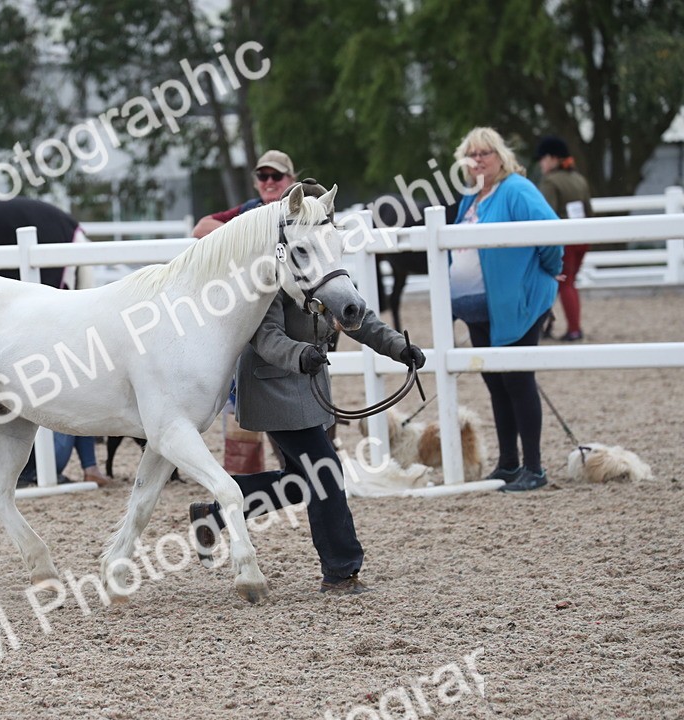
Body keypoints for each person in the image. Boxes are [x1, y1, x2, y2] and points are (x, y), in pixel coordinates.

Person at [188, 182, 426, 596]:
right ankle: (340, 569)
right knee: (326, 471)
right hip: (274, 389)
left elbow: (359, 318)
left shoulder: (320, 264)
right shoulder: (272, 270)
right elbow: (266, 338)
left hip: (308, 385)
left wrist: (398, 347)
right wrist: (300, 355)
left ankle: (216, 512)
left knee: (301, 480)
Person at [449, 127, 563, 492]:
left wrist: (545, 271)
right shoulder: (471, 197)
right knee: (495, 383)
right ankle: (508, 463)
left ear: (501, 156)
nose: (478, 160)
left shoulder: (516, 189)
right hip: (478, 307)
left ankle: (534, 465)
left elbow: (549, 233)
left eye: (485, 153)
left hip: (515, 303)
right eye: (472, 155)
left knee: (517, 380)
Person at [535, 135, 593, 341]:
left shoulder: (550, 181)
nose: (541, 163)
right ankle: (566, 325)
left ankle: (573, 329)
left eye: (543, 159)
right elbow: (589, 210)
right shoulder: (579, 179)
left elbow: (545, 213)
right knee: (569, 283)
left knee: (560, 283)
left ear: (552, 158)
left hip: (563, 240)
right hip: (582, 238)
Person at [191, 150, 296, 238]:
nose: (269, 181)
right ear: (255, 182)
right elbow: (200, 229)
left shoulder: (301, 209)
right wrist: (244, 235)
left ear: (292, 180)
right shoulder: (249, 208)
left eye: (277, 176)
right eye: (262, 176)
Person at [17, 432, 110, 488]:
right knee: (76, 415)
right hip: (41, 466)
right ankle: (91, 470)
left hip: (26, 464)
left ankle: (91, 470)